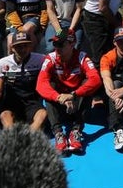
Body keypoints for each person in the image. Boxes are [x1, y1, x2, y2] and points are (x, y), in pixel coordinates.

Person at [37, 28, 101, 156]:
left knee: (86, 83)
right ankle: (58, 133)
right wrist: (58, 97)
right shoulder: (51, 58)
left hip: (77, 103)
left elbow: (96, 79)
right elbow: (41, 84)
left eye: (60, 44)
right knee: (50, 86)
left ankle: (76, 131)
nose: (57, 48)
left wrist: (73, 95)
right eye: (55, 44)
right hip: (60, 103)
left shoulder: (82, 57)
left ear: (72, 44)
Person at [0, 30, 47, 133]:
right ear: (12, 47)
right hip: (11, 103)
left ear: (30, 46)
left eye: (25, 46)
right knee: (4, 116)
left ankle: (29, 136)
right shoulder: (1, 63)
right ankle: (14, 137)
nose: (22, 49)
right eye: (18, 46)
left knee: (43, 114)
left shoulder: (41, 60)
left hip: (32, 103)